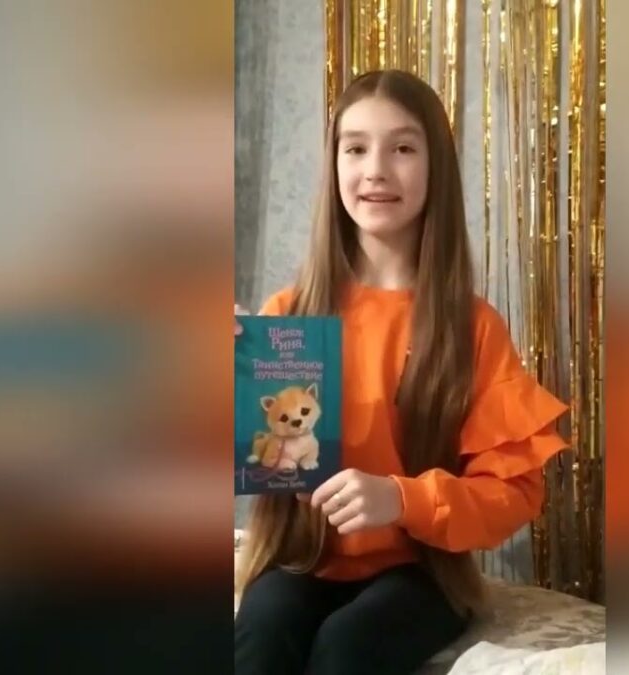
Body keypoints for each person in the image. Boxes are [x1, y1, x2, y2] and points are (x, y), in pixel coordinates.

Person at [233, 69, 569, 675]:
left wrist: (401, 498)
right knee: (262, 626)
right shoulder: (286, 316)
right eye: (356, 148)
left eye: (403, 148)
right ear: (334, 165)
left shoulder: (472, 328)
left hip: (421, 572)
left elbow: (514, 493)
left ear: (435, 168)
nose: (376, 170)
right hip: (303, 559)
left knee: (347, 646)